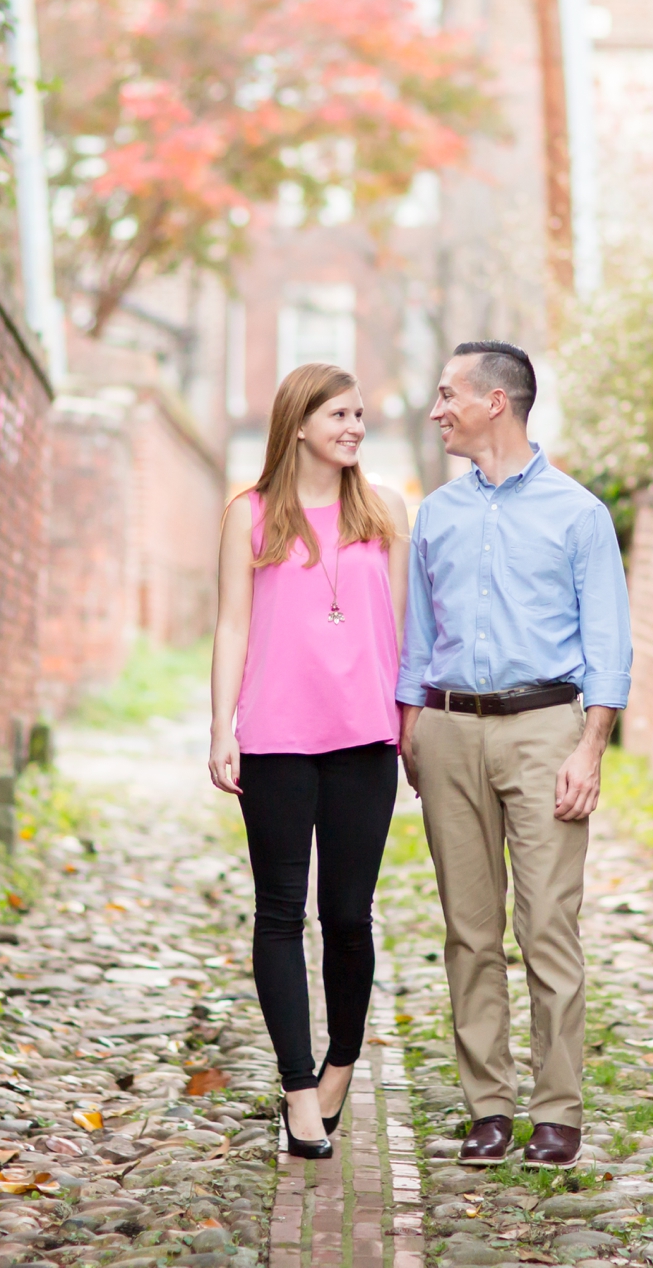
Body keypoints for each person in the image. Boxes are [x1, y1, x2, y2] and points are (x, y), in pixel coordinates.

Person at [397, 341, 631, 1168]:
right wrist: (410, 727)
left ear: (497, 402)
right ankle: (489, 1108)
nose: (437, 410)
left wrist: (590, 748)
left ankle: (557, 1110)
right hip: (449, 730)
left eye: (448, 394)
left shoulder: (578, 514)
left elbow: (609, 644)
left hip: (545, 730)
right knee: (468, 930)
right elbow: (418, 636)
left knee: (547, 926)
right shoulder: (437, 513)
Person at [209, 362, 411, 1160]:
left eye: (360, 414)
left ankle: (341, 1066)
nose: (355, 426)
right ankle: (297, 1089)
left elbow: (400, 634)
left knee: (349, 918)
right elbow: (232, 624)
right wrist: (220, 726)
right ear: (298, 423)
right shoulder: (250, 515)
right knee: (279, 913)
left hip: (365, 739)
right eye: (339, 414)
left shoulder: (385, 512)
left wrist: (411, 729)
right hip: (278, 738)